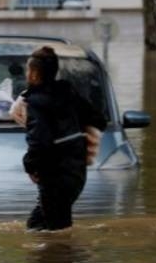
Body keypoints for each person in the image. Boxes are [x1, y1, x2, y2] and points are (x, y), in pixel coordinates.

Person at [19, 46, 108, 231]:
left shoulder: (36, 102)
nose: (26, 74)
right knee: (37, 225)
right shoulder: (68, 94)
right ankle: (58, 258)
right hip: (76, 172)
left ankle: (64, 258)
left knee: (56, 232)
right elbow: (98, 119)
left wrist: (29, 165)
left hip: (54, 174)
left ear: (34, 74)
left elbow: (39, 140)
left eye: (28, 70)